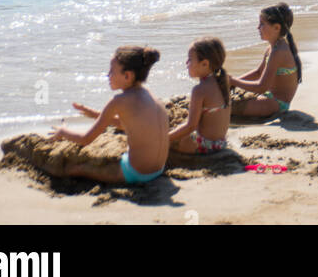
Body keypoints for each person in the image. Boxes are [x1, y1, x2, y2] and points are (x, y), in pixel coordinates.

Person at [52, 46, 168, 185]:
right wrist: (94, 114)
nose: (108, 75)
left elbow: (86, 139)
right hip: (158, 169)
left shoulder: (118, 101)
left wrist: (63, 131)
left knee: (76, 168)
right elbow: (128, 124)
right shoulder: (149, 95)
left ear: (127, 76)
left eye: (111, 71)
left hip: (136, 173)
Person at [228, 3, 301, 118]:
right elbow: (258, 73)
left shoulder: (279, 52)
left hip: (276, 104)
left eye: (262, 24)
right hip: (269, 97)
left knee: (221, 107)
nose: (258, 27)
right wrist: (232, 82)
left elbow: (262, 86)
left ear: (276, 27)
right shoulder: (273, 48)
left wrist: (234, 81)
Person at [168, 38, 230, 155]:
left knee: (174, 141)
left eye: (190, 60)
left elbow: (191, 126)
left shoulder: (199, 90)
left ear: (205, 64)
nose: (186, 63)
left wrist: (165, 139)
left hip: (205, 146)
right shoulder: (223, 81)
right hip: (220, 143)